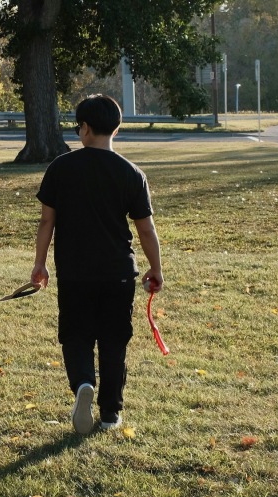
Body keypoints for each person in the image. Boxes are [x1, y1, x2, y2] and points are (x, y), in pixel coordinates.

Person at [30, 94, 163, 434]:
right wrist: (155, 268)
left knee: (76, 337)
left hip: (75, 274)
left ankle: (83, 384)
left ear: (85, 128)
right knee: (114, 342)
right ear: (115, 128)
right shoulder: (132, 173)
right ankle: (110, 415)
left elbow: (47, 222)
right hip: (118, 274)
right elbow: (145, 228)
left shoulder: (60, 167)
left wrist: (40, 264)